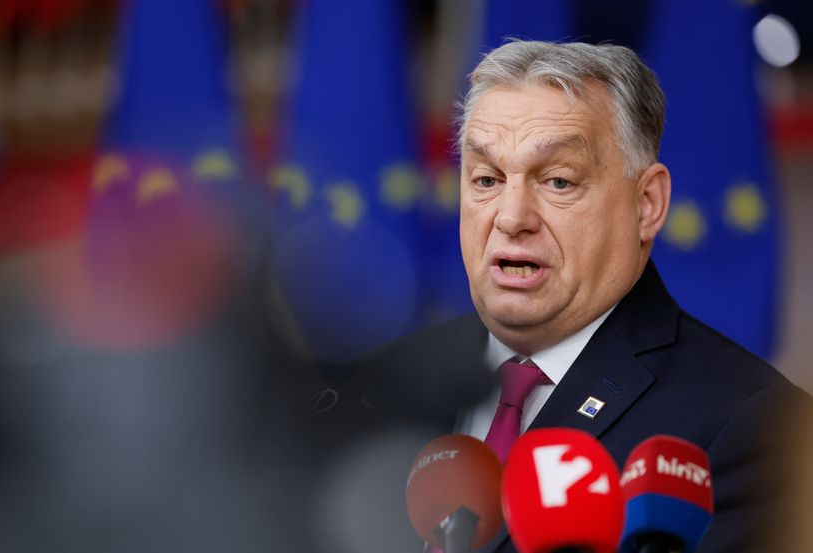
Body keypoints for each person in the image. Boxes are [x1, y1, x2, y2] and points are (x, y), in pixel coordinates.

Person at [319, 40, 807, 553]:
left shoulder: (758, 429)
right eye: (486, 179)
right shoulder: (376, 386)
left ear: (647, 204)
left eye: (557, 181)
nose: (511, 217)